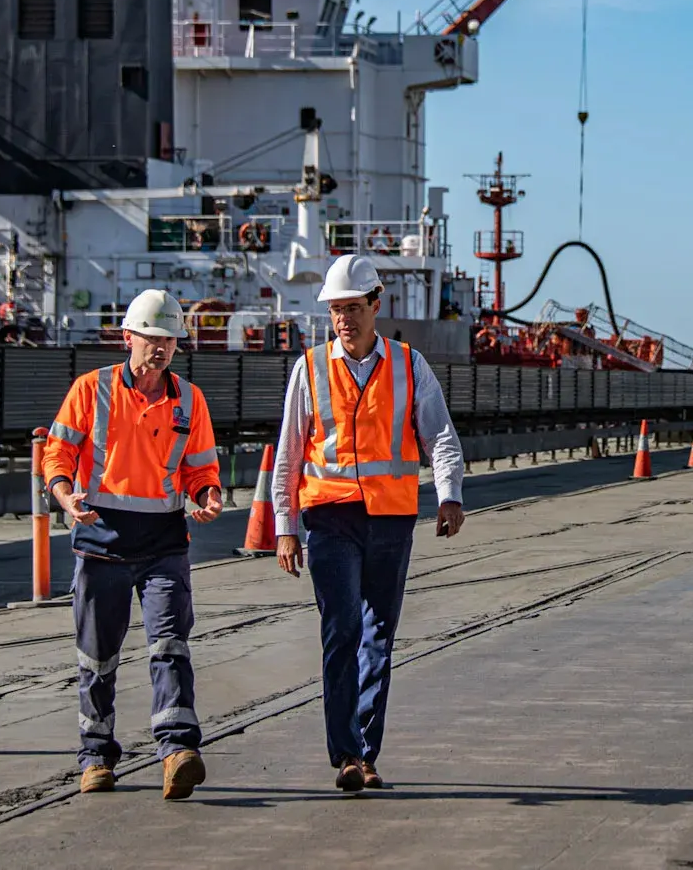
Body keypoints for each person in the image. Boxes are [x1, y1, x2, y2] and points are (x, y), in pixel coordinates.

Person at [271, 255, 467, 792]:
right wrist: (284, 525)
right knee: (342, 630)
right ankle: (346, 756)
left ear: (375, 305)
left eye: (353, 308)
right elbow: (288, 453)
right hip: (330, 516)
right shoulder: (308, 369)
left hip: (391, 519)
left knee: (379, 635)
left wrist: (448, 495)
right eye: (336, 310)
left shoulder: (409, 366)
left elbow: (441, 437)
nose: (344, 320)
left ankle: (366, 751)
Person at [45, 290, 225, 800]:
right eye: (152, 337)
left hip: (165, 543)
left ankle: (178, 751)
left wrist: (208, 494)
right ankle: (96, 756)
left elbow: (200, 469)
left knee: (170, 646)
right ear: (128, 338)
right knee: (97, 657)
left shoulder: (190, 399)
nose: (161, 348)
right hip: (102, 541)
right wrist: (64, 495)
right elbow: (58, 452)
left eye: (169, 339)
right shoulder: (91, 389)